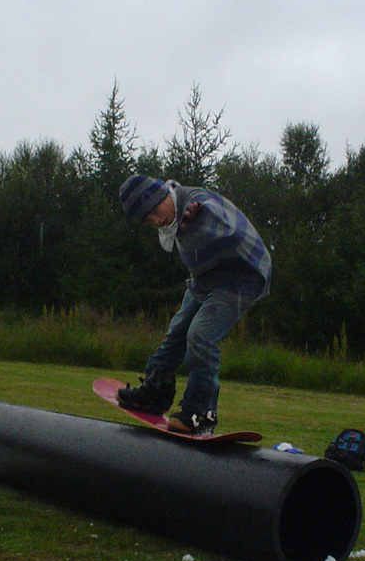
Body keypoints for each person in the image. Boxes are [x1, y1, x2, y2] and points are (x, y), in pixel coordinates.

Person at [116, 174, 271, 435]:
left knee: (200, 336)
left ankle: (201, 411)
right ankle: (156, 391)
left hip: (243, 278)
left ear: (165, 195)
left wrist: (200, 219)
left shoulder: (197, 203)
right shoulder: (171, 216)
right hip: (206, 278)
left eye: (155, 210)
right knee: (177, 332)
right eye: (147, 219)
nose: (156, 220)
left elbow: (222, 218)